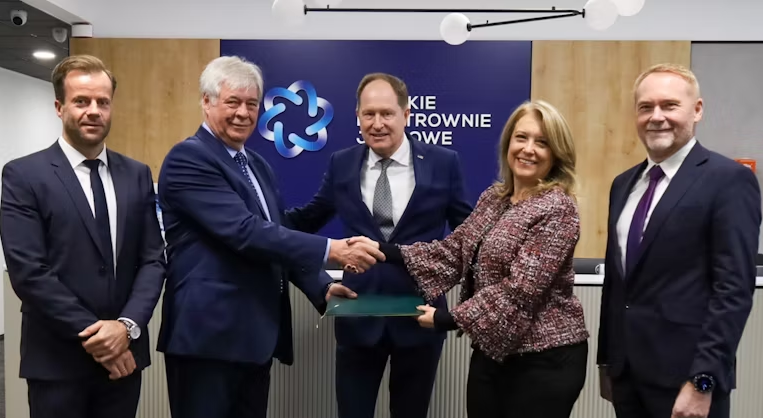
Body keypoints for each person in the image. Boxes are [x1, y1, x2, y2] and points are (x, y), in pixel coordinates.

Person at [155, 55, 385, 418]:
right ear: (207, 102)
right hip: (207, 340)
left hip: (255, 339)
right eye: (232, 102)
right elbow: (246, 232)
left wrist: (321, 287)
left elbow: (277, 234)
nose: (243, 113)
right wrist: (332, 249)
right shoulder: (189, 159)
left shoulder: (256, 165)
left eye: (251, 104)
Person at [353, 99, 590, 418]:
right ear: (508, 143)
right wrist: (384, 251)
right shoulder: (494, 198)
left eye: (542, 142)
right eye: (521, 138)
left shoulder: (558, 209)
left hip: (545, 358)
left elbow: (521, 290)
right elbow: (453, 252)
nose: (528, 149)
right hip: (493, 349)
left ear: (556, 154)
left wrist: (447, 319)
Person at [285, 72, 473, 418]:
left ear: (406, 114)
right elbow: (306, 222)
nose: (377, 123)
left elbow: (468, 235)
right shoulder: (342, 163)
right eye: (369, 114)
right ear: (357, 116)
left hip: (420, 318)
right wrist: (256, 221)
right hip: (358, 317)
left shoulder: (443, 163)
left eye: (387, 113)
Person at [0, 54, 166, 418]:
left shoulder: (137, 174)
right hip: (58, 363)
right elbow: (29, 272)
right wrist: (101, 338)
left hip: (124, 362)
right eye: (81, 101)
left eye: (102, 102)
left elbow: (153, 259)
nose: (94, 111)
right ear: (59, 107)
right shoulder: (23, 176)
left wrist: (126, 328)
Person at [596, 63, 762, 418]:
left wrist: (703, 382)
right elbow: (618, 284)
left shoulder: (728, 180)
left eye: (669, 105)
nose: (656, 117)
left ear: (697, 110)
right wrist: (607, 363)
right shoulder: (623, 185)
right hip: (627, 379)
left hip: (688, 383)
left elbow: (733, 292)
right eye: (645, 107)